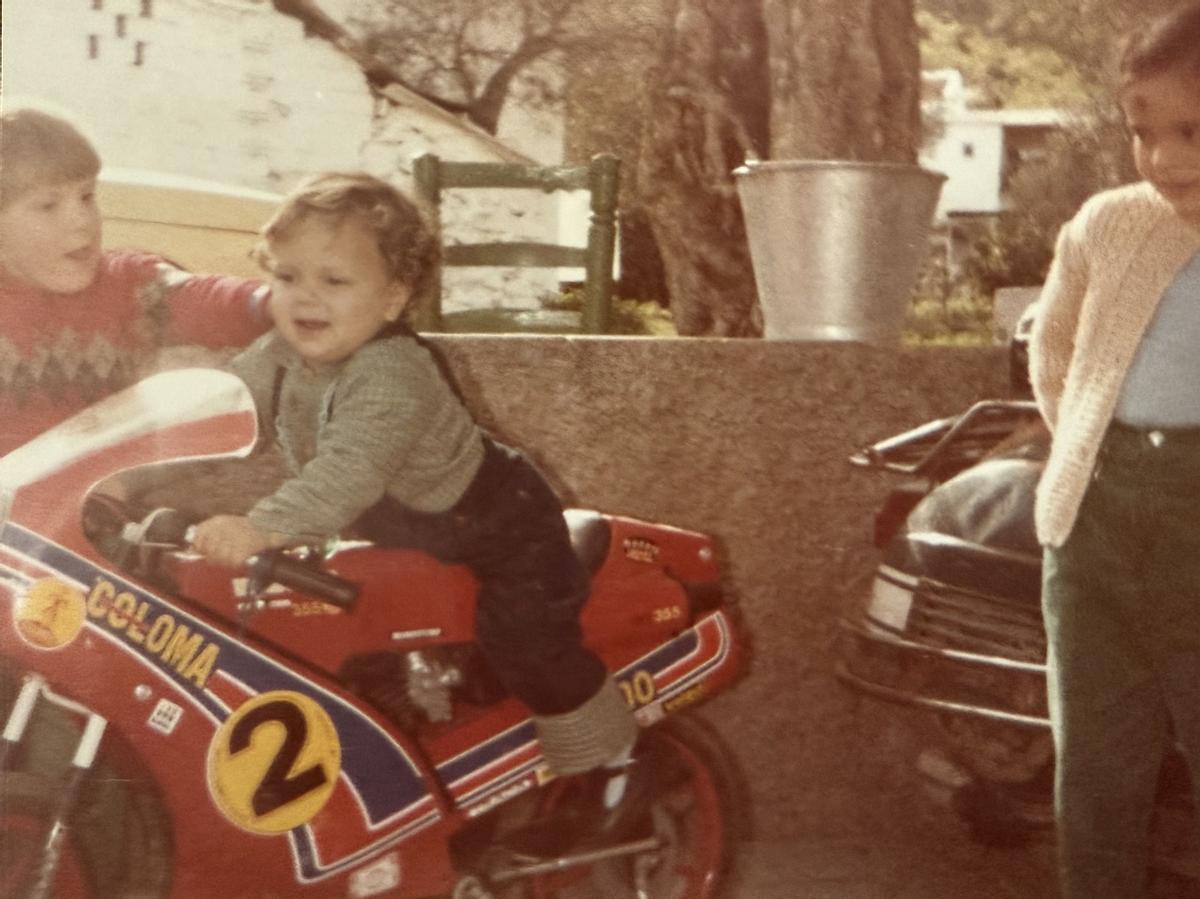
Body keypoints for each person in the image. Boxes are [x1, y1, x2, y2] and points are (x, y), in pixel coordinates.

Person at [188, 171, 639, 802]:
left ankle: (611, 757)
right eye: (288, 277)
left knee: (524, 641)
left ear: (394, 298)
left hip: (499, 526)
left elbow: (348, 472)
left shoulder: (393, 372)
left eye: (335, 281)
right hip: (404, 526)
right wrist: (138, 448)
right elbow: (215, 406)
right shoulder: (280, 353)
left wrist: (260, 526)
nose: (305, 298)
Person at [1030, 3, 1200, 896]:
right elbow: (1056, 347)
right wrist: (1086, 447)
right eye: (1144, 133)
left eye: (1192, 130)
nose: (1165, 157)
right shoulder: (1109, 223)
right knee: (1095, 770)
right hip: (1095, 517)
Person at [0, 104, 272, 454]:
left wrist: (267, 301)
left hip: (111, 490)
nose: (82, 220)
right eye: (48, 206)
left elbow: (197, 296)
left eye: (87, 197)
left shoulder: (128, 283)